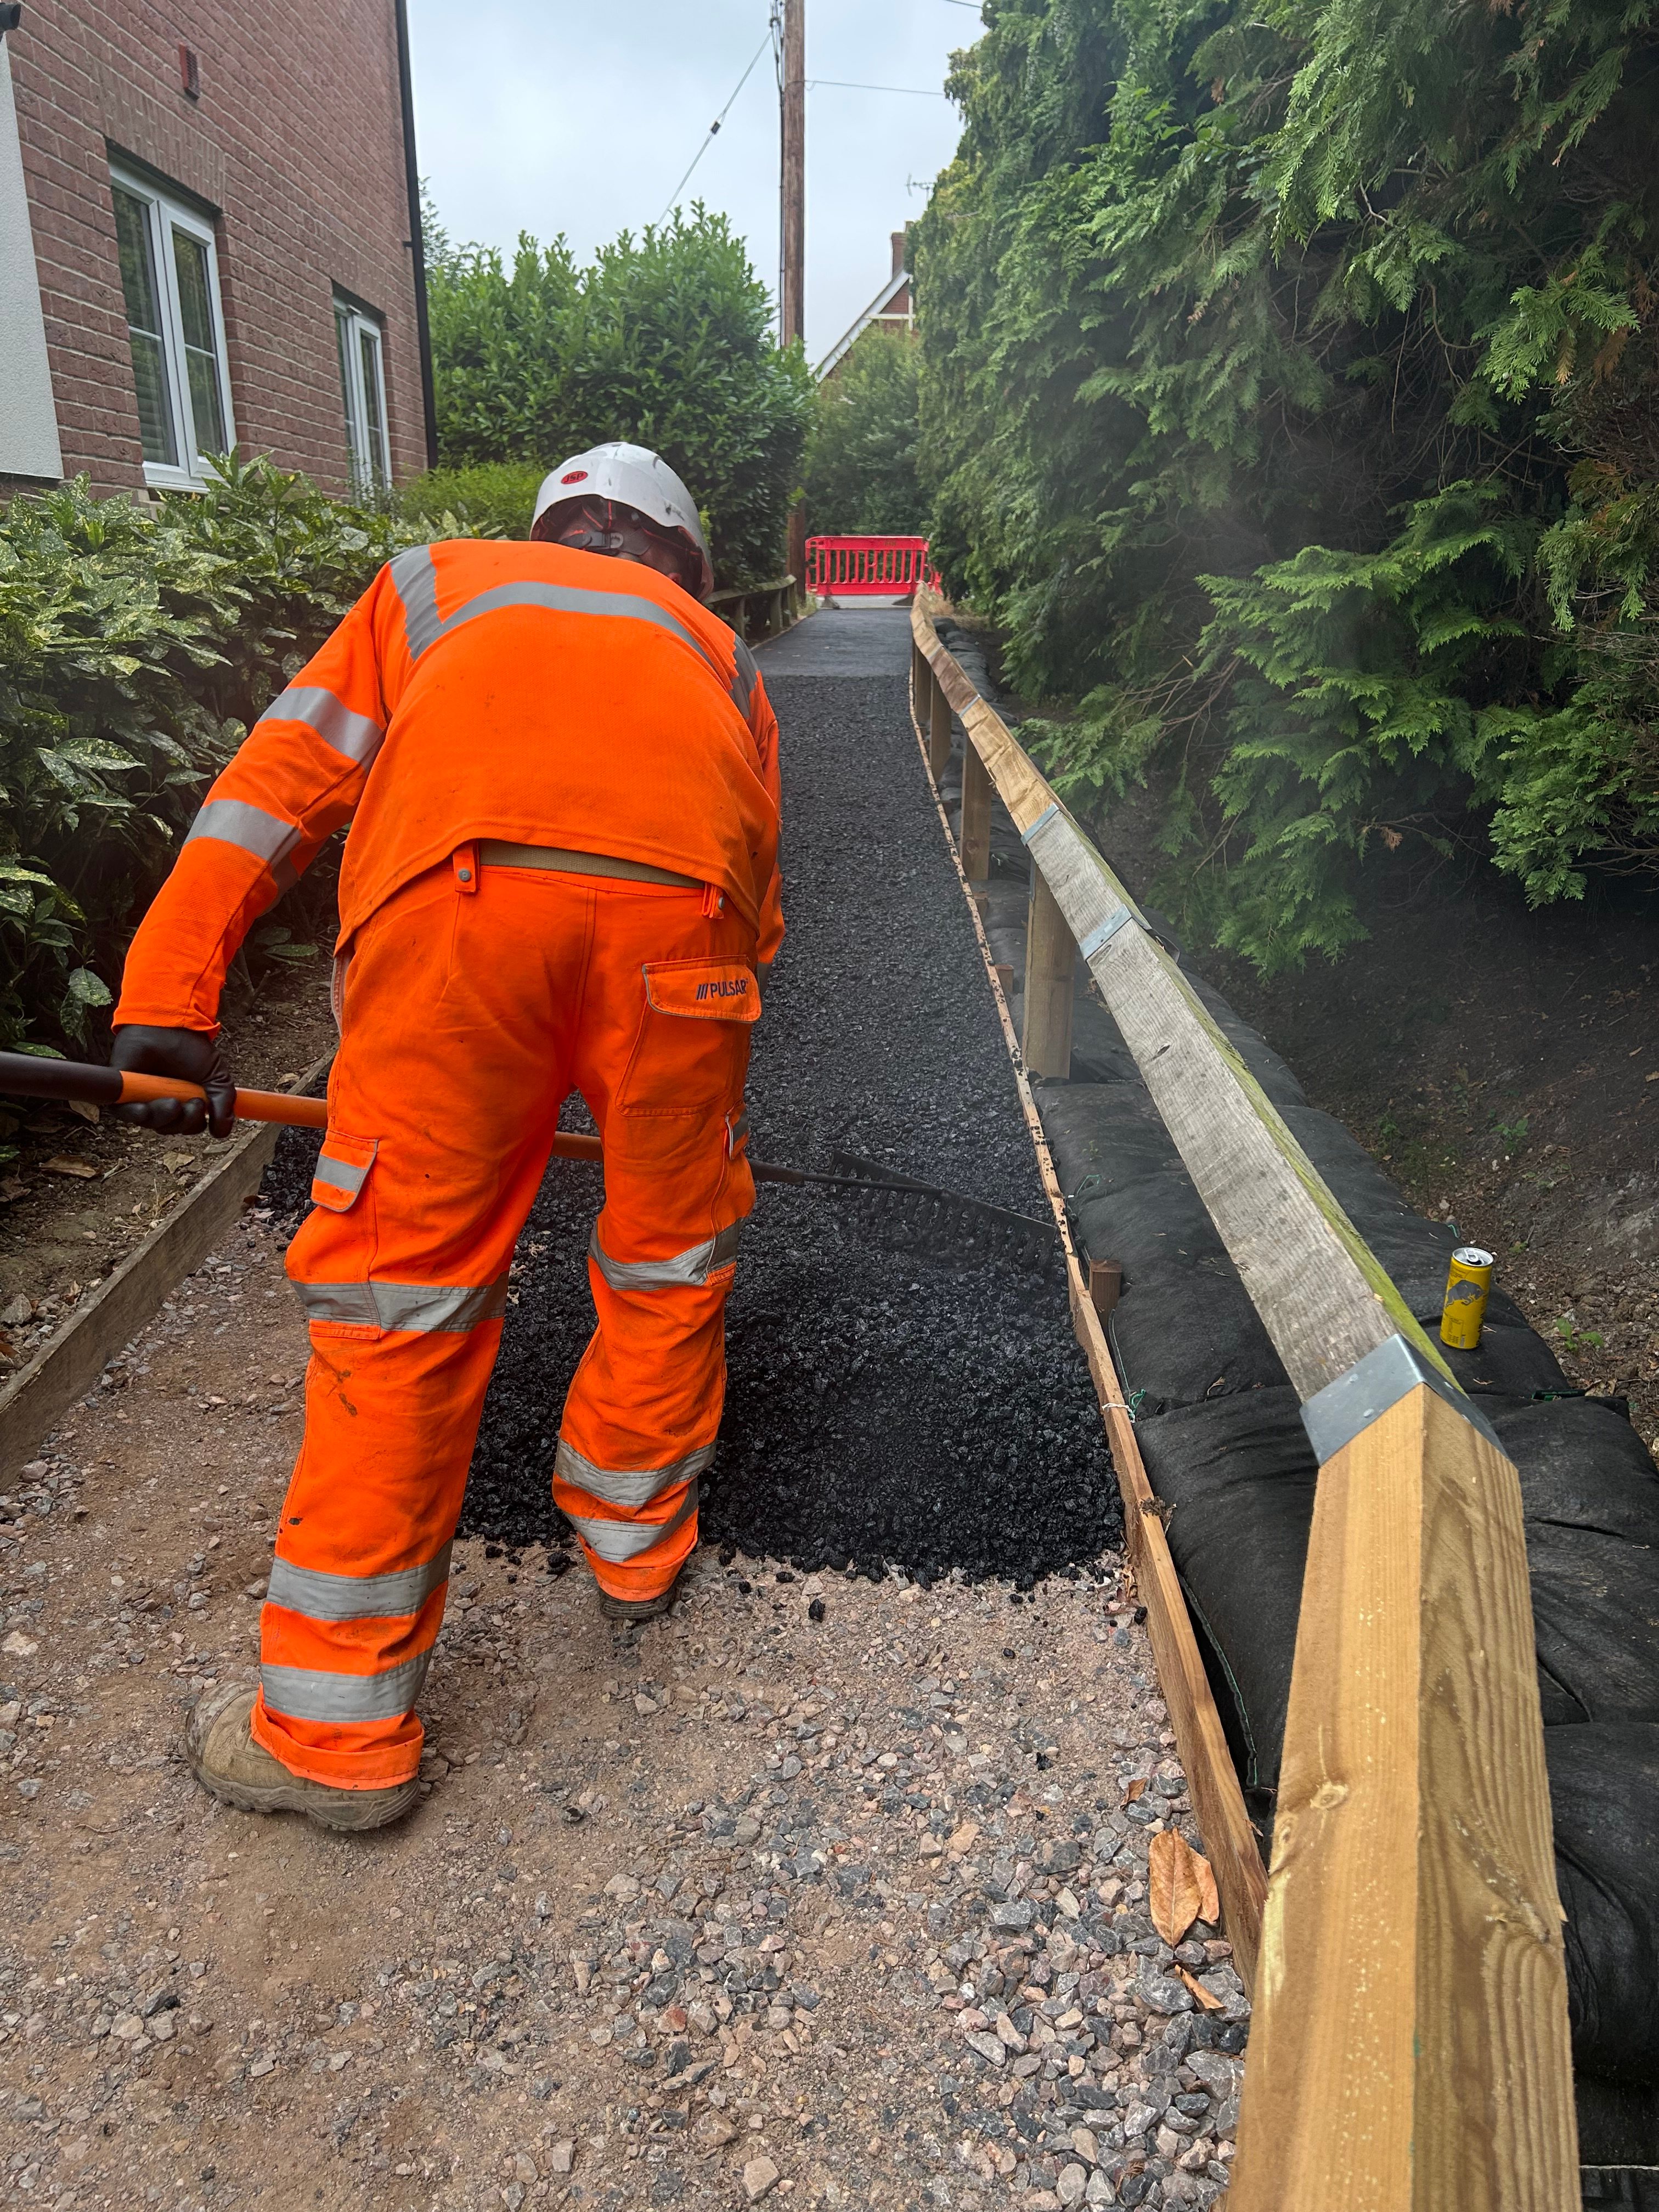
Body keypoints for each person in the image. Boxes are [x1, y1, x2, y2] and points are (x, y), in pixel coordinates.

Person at [109, 442, 782, 1831]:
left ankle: (331, 1738)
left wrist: (169, 998)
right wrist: (679, 1060)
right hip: (685, 946)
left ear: (548, 526)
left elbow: (277, 783)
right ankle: (635, 1548)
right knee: (671, 1250)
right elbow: (761, 892)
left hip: (459, 923)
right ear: (678, 561)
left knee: (401, 1290)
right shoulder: (718, 651)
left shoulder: (431, 585)